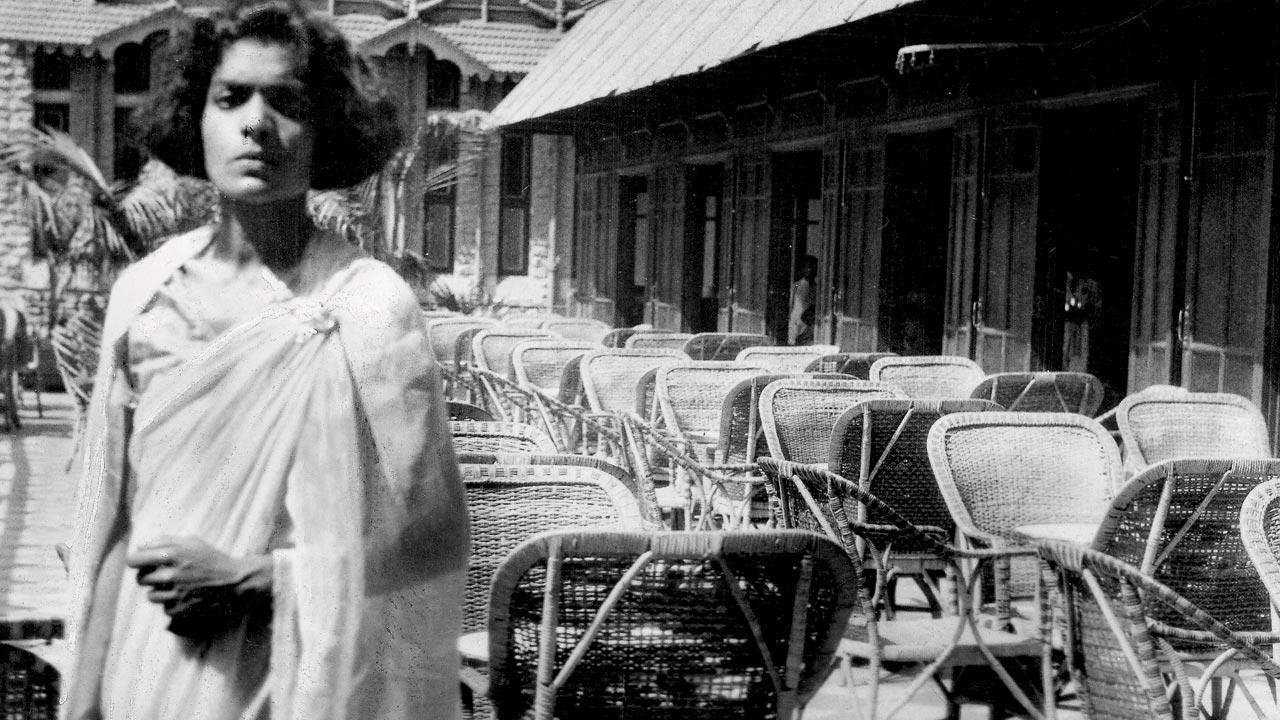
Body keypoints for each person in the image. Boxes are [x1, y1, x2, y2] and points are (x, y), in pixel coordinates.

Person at [61, 2, 469, 719]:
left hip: (304, 675)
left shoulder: (369, 305)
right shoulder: (142, 295)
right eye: (231, 98)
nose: (256, 122)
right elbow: (107, 520)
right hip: (150, 661)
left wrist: (257, 577)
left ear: (326, 131)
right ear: (197, 118)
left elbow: (436, 537)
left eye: (287, 102)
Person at [788, 255, 818, 345]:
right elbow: (792, 304)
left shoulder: (817, 288)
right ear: (803, 269)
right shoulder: (797, 285)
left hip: (809, 324)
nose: (811, 270)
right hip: (797, 322)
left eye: (814, 267)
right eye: (808, 267)